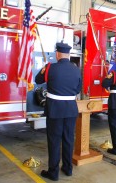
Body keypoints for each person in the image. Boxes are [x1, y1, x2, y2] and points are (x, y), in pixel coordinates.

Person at [35, 43, 82, 181]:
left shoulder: (50, 67)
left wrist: (45, 70)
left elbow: (38, 80)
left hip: (55, 109)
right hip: (71, 109)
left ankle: (53, 173)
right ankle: (68, 169)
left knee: (54, 141)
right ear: (68, 55)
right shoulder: (76, 69)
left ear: (57, 54)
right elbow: (78, 89)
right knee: (68, 140)